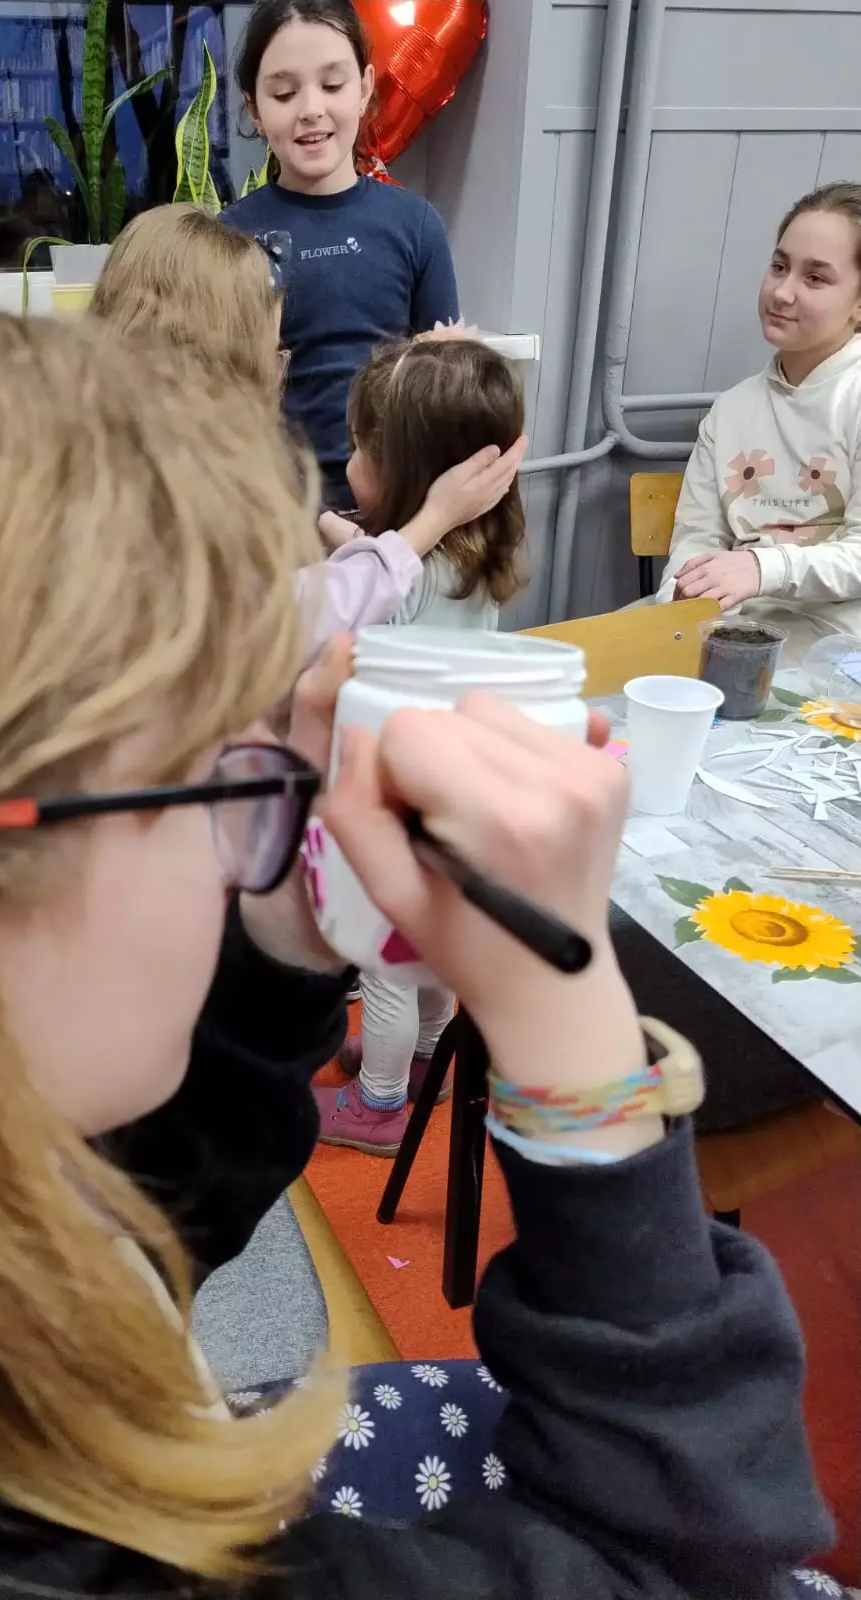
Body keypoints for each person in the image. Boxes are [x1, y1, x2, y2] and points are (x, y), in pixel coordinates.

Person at [0, 276, 835, 1600]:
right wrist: (575, 1035)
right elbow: (690, 1559)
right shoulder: (1, 1558)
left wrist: (282, 922)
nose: (256, 810)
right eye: (206, 774)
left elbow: (137, 1205)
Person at [91, 203, 522, 661]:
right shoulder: (157, 499)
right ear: (213, 363)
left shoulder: (122, 454)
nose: (277, 376)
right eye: (270, 353)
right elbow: (281, 622)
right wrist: (432, 521)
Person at [315, 337, 530, 1154]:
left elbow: (354, 598)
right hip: (457, 792)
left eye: (359, 448)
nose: (348, 460)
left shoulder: (399, 577)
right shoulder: (474, 556)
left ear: (405, 472)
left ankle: (378, 1105)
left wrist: (342, 542)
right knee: (434, 949)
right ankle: (427, 1060)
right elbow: (384, 566)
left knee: (386, 961)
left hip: (393, 800)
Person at [223, 0, 476, 510]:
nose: (311, 109)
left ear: (364, 89)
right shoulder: (229, 237)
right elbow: (218, 406)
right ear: (254, 108)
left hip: (398, 516)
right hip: (273, 518)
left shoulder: (415, 225)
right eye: (284, 93)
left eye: (333, 85)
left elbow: (443, 390)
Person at [658, 180, 861, 662]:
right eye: (779, 267)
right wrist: (679, 599)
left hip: (836, 650)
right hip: (727, 628)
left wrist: (762, 567)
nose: (782, 292)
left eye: (815, 278)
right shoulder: (731, 409)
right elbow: (697, 537)